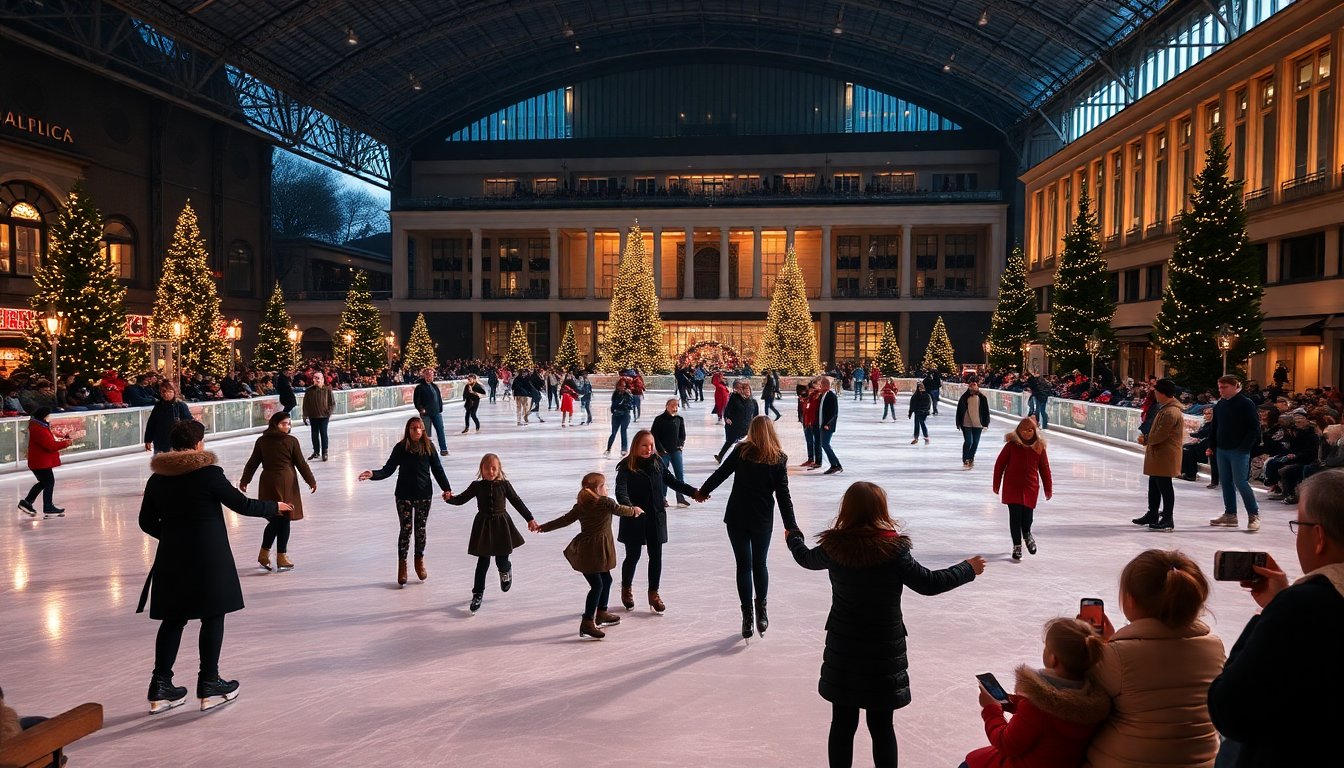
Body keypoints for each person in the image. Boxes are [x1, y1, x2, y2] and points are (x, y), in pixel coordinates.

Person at [786, 482, 985, 768]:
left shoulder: (834, 547)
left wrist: (793, 536)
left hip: (844, 650)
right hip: (882, 651)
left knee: (842, 724)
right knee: (881, 727)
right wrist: (967, 568)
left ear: (847, 510)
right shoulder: (893, 550)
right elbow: (929, 584)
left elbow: (805, 558)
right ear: (881, 509)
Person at [137, 419, 293, 714]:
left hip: (172, 556)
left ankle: (161, 685)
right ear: (198, 443)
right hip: (208, 556)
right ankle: (209, 680)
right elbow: (242, 504)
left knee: (173, 619)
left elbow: (146, 522)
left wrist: (172, 536)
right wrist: (275, 507)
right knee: (212, 615)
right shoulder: (208, 473)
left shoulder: (158, 478)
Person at [1208, 471, 1344, 767]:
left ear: (1319, 537)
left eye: (1299, 525)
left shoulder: (1302, 608)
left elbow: (1229, 709)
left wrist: (1272, 611)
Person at [1083, 549, 1224, 768]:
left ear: (1130, 600)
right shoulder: (1214, 647)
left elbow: (1079, 694)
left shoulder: (1117, 657)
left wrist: (1099, 649)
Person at [697, 415, 798, 639]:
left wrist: (702, 492)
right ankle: (759, 612)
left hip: (738, 517)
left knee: (744, 565)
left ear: (752, 430)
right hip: (757, 518)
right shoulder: (777, 458)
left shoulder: (744, 451)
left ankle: (749, 615)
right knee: (758, 564)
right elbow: (783, 496)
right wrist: (792, 526)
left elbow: (720, 473)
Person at [959, 618, 1110, 768]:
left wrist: (990, 709)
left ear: (1053, 659)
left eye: (1046, 647)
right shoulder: (1089, 704)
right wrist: (1014, 703)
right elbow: (1049, 722)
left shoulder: (1037, 707)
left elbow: (1006, 743)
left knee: (968, 764)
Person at [535, 472, 643, 639]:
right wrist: (634, 510)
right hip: (594, 551)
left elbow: (563, 520)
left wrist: (544, 527)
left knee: (606, 580)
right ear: (597, 489)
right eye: (604, 486)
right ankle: (587, 622)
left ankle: (602, 613)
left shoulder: (581, 505)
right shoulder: (606, 503)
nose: (607, 488)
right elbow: (621, 510)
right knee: (598, 585)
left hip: (589, 550)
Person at [357, 417, 453, 587]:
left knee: (420, 529)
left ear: (423, 430)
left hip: (424, 494)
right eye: (413, 428)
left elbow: (438, 470)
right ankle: (402, 566)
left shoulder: (429, 447)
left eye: (419, 428)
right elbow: (388, 469)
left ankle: (419, 560)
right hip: (404, 495)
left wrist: (446, 488)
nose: (416, 431)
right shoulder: (401, 448)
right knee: (406, 529)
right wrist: (373, 474)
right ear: (408, 430)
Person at [615, 430, 698, 613]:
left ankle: (653, 593)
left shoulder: (657, 462)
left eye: (651, 445)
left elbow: (673, 482)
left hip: (655, 517)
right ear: (636, 446)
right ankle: (626, 588)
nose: (648, 448)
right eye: (644, 445)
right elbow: (621, 491)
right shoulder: (626, 467)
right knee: (633, 556)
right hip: (634, 518)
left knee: (656, 557)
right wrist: (629, 507)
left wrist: (693, 492)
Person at [445, 453, 538, 613]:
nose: (491, 471)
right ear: (481, 469)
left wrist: (529, 518)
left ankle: (506, 571)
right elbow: (462, 499)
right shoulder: (477, 486)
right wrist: (449, 499)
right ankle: (477, 593)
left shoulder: (504, 485)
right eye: (487, 468)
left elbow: (517, 501)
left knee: (502, 560)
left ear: (499, 469)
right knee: (483, 562)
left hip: (502, 525)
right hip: (483, 526)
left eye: (494, 468)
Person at [239, 411, 316, 573]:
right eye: (284, 424)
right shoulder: (290, 441)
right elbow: (301, 463)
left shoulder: (262, 440)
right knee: (283, 519)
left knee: (276, 519)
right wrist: (311, 480)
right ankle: (281, 556)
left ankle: (265, 554)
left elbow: (253, 462)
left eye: (289, 423)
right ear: (275, 424)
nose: (287, 426)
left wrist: (246, 479)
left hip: (268, 481)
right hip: (286, 482)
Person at [992, 418, 1053, 561]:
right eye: (1024, 430)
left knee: (1027, 518)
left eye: (1030, 430)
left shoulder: (1039, 447)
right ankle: (1017, 546)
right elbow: (1000, 464)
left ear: (1035, 432)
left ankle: (1027, 534)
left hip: (1030, 487)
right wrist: (996, 484)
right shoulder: (1011, 446)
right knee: (1015, 517)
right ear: (1019, 431)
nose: (1027, 433)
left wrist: (1048, 488)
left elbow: (1044, 469)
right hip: (1012, 486)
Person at [1208, 375, 1262, 531]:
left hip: (1239, 450)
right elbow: (1215, 427)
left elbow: (1254, 428)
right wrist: (1212, 445)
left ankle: (1253, 514)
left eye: (1224, 387)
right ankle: (1230, 514)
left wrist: (1245, 447)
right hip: (1222, 449)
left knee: (1241, 482)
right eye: (1219, 387)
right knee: (1226, 483)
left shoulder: (1246, 404)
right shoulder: (1220, 405)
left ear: (1235, 386)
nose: (1221, 390)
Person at [1133, 378, 1184, 531]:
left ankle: (1168, 518)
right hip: (1159, 453)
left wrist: (1146, 439)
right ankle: (1152, 513)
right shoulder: (1165, 408)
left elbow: (1161, 434)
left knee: (1164, 485)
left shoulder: (1170, 411)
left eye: (1156, 392)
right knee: (1154, 484)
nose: (1154, 395)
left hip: (1165, 453)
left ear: (1162, 393)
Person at [18, 407, 71, 518]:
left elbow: (49, 441)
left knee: (44, 482)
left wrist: (63, 439)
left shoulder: (41, 427)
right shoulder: (39, 429)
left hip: (40, 461)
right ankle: (47, 506)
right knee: (49, 482)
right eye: (48, 416)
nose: (49, 418)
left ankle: (27, 502)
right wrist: (66, 443)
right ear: (43, 416)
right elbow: (50, 446)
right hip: (40, 462)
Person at [651, 398, 689, 507]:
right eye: (673, 405)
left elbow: (682, 435)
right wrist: (661, 449)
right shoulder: (659, 419)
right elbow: (654, 435)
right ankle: (663, 497)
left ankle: (680, 497)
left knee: (679, 475)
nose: (675, 408)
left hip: (676, 451)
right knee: (664, 475)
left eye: (677, 405)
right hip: (664, 453)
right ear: (667, 406)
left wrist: (680, 445)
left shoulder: (679, 419)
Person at [143, 382, 192, 454]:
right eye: (163, 391)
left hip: (176, 443)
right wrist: (148, 440)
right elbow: (151, 423)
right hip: (160, 443)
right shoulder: (158, 406)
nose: (166, 394)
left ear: (174, 392)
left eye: (169, 391)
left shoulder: (180, 405)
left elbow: (188, 423)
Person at [717, 379, 759, 462]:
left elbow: (756, 415)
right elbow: (728, 409)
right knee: (730, 441)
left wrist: (755, 425)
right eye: (745, 389)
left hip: (747, 427)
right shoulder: (735, 398)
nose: (747, 391)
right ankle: (721, 456)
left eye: (748, 389)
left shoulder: (753, 402)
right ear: (741, 390)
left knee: (751, 443)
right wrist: (727, 418)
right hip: (735, 426)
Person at [956, 378, 992, 469]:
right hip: (966, 423)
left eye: (975, 385)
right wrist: (958, 423)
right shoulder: (964, 397)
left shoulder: (982, 398)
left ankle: (970, 457)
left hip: (978, 424)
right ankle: (965, 459)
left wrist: (986, 423)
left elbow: (985, 411)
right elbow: (959, 411)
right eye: (971, 385)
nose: (973, 387)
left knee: (975, 442)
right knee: (969, 441)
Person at [413, 367, 448, 455]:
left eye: (432, 374)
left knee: (440, 430)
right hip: (426, 414)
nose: (430, 376)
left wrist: (440, 408)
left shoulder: (434, 386)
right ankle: (427, 450)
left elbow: (438, 398)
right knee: (427, 433)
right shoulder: (420, 387)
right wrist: (421, 409)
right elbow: (416, 401)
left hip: (436, 412)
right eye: (428, 374)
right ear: (424, 375)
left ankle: (443, 449)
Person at [301, 371, 335, 462]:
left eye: (318, 378)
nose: (316, 379)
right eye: (315, 377)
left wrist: (329, 412)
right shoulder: (309, 390)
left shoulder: (327, 390)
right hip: (313, 415)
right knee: (314, 434)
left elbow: (332, 403)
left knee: (323, 433)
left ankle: (325, 452)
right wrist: (305, 415)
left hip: (324, 416)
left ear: (323, 379)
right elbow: (305, 404)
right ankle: (316, 451)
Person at [815, 376, 843, 474]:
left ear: (825, 385)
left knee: (825, 444)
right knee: (825, 444)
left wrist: (827, 423)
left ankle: (836, 465)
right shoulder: (823, 395)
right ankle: (836, 465)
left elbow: (833, 412)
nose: (819, 386)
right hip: (822, 424)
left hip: (827, 425)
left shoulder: (831, 396)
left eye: (821, 384)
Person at [604, 379, 634, 456]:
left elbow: (631, 405)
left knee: (623, 431)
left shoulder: (628, 394)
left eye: (624, 386)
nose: (622, 388)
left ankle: (624, 449)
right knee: (613, 432)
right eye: (620, 386)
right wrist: (614, 410)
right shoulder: (615, 394)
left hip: (625, 415)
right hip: (616, 415)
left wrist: (625, 403)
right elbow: (613, 404)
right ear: (617, 386)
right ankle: (608, 448)